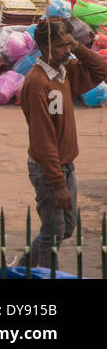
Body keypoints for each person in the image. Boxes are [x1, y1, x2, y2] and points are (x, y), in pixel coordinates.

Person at [20, 17, 107, 270]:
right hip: (49, 168)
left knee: (65, 228)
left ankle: (25, 266)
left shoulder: (64, 71)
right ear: (44, 48)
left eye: (68, 45)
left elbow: (100, 70)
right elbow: (42, 137)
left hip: (66, 164)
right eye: (60, 46)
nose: (66, 51)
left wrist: (76, 46)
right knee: (53, 233)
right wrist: (57, 183)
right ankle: (43, 274)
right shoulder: (38, 83)